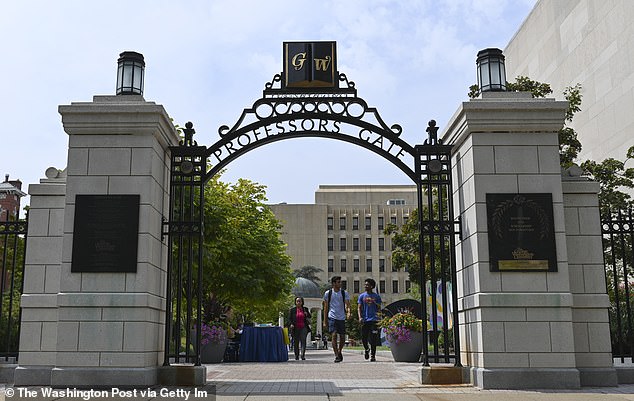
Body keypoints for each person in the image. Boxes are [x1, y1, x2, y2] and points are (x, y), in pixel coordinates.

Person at [323, 276, 351, 363]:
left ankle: (339, 351)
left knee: (342, 337)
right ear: (334, 283)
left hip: (341, 317)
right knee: (334, 335)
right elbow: (326, 307)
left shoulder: (344, 293)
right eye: (338, 282)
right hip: (332, 317)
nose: (340, 283)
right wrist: (325, 321)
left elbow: (348, 304)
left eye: (340, 282)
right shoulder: (328, 293)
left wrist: (349, 312)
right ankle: (336, 355)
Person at [358, 278, 382, 361]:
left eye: (367, 285)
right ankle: (366, 349)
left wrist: (379, 318)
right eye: (365, 285)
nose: (365, 286)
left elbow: (379, 308)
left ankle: (373, 355)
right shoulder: (362, 296)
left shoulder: (376, 296)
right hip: (365, 320)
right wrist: (360, 317)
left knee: (373, 338)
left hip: (374, 320)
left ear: (371, 286)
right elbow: (359, 308)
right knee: (364, 338)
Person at [288, 296, 311, 360]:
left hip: (303, 327)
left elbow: (310, 316)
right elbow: (289, 319)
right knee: (296, 342)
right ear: (295, 302)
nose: (298, 302)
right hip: (295, 328)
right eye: (297, 301)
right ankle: (296, 355)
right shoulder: (293, 310)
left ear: (302, 302)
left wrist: (307, 314)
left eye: (299, 301)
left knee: (303, 341)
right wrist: (291, 324)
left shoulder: (305, 309)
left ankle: (302, 355)